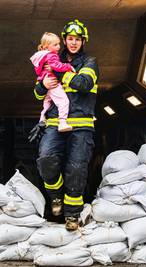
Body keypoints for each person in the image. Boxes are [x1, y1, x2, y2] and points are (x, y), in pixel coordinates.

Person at [28, 19, 99, 231]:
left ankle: (72, 214)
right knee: (46, 159)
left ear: (83, 41)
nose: (74, 43)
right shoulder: (51, 59)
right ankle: (56, 197)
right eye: (70, 39)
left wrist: (59, 73)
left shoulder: (90, 62)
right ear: (64, 40)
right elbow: (37, 92)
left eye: (78, 39)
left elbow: (84, 84)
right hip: (54, 122)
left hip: (81, 124)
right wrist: (43, 84)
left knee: (76, 169)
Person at [30, 32, 76, 132]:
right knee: (64, 101)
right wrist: (68, 67)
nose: (58, 46)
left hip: (46, 80)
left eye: (58, 43)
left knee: (47, 101)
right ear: (47, 47)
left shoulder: (41, 56)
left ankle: (42, 118)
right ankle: (63, 123)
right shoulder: (51, 55)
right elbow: (57, 66)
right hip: (53, 81)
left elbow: (38, 71)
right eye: (55, 45)